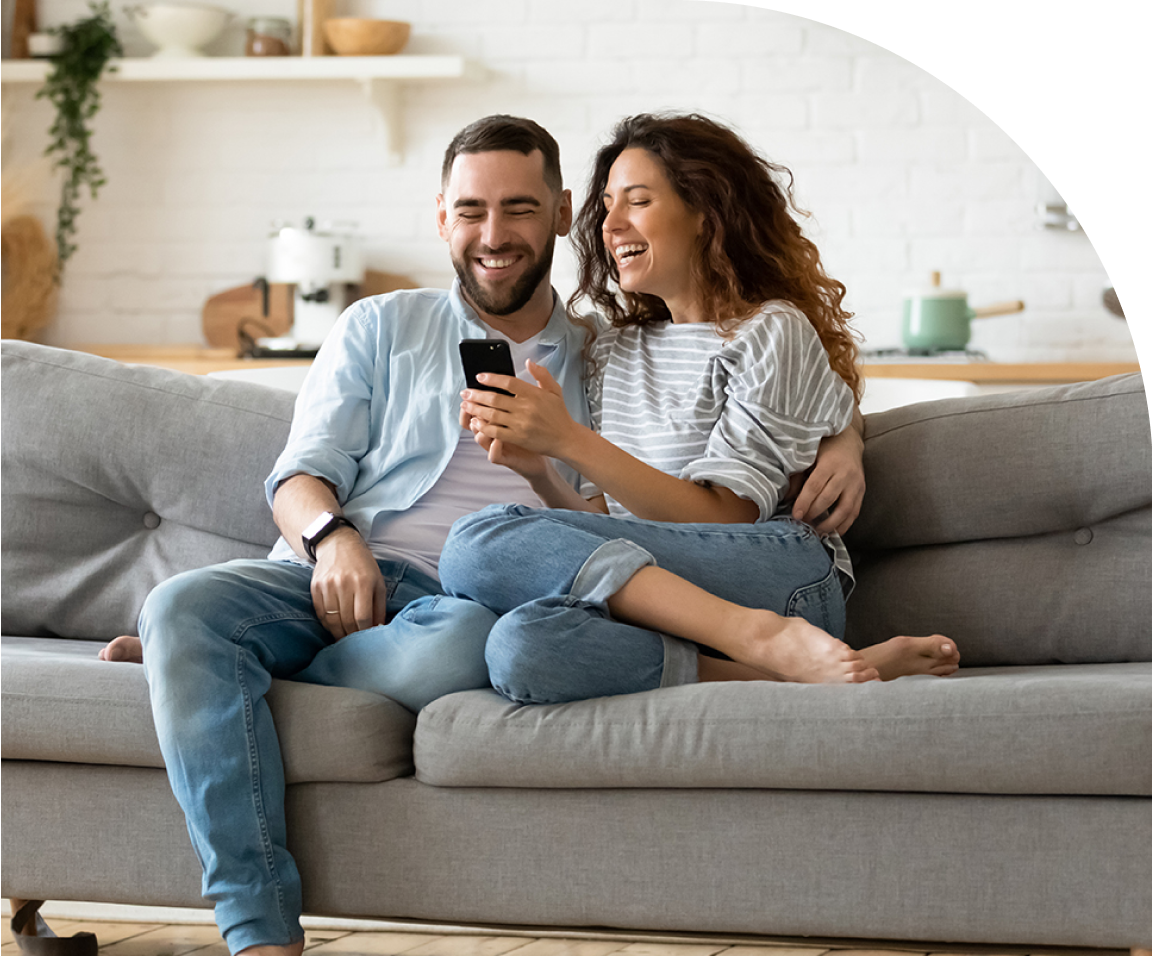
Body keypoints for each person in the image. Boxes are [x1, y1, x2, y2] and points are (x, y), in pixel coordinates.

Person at [96, 114, 867, 955]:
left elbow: (755, 381)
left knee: (469, 637)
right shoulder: (380, 326)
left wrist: (847, 439)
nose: (492, 235)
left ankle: (221, 670)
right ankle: (259, 930)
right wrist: (336, 538)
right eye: (470, 211)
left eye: (519, 209)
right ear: (441, 218)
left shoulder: (601, 351)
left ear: (559, 211)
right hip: (331, 571)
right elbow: (297, 476)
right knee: (179, 606)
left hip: (461, 603)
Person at [438, 112, 959, 703]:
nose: (609, 224)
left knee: (474, 542)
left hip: (776, 576)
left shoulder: (768, 332)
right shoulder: (613, 349)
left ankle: (763, 635)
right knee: (520, 647)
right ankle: (786, 668)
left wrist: (569, 441)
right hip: (667, 591)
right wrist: (540, 471)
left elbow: (726, 518)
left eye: (637, 201)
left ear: (706, 214)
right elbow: (611, 533)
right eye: (606, 204)